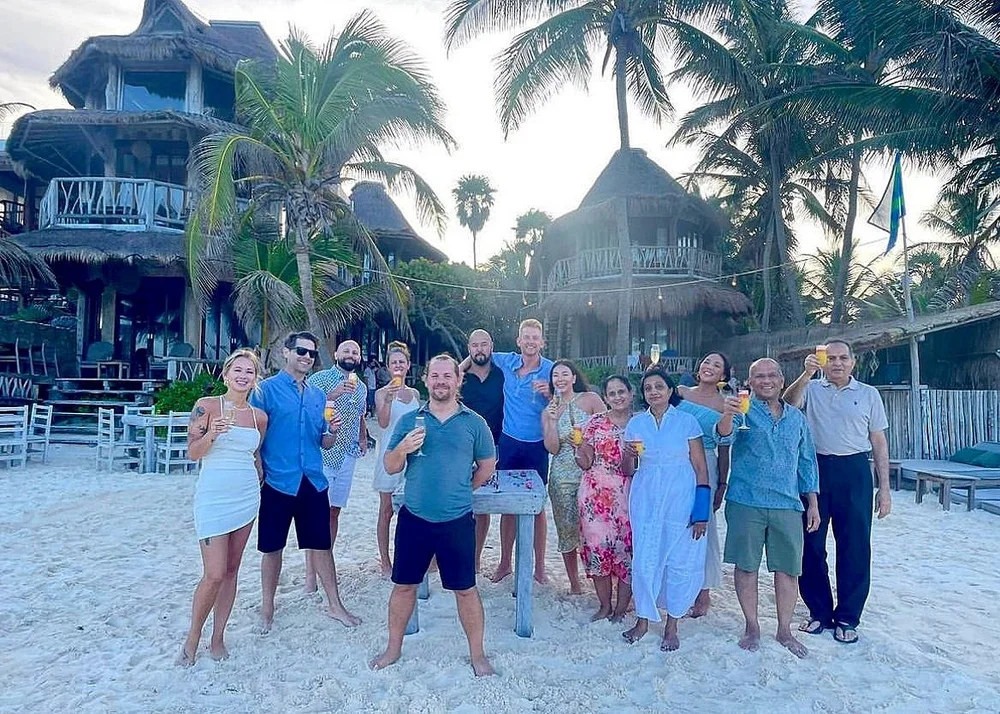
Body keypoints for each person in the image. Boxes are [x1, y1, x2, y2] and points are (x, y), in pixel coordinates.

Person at [371, 354, 497, 676]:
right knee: (403, 587)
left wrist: (463, 488)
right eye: (435, 376)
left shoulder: (474, 423)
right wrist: (403, 449)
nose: (441, 381)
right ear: (425, 380)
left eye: (447, 376)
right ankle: (393, 648)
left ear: (458, 380)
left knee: (465, 590)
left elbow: (487, 466)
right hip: (415, 518)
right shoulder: (410, 421)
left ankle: (478, 655)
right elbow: (390, 466)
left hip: (457, 520)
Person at [250, 332, 360, 632]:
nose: (307, 357)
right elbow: (253, 435)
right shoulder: (265, 391)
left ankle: (335, 604)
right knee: (272, 548)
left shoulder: (317, 396)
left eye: (311, 353)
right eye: (301, 351)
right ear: (286, 352)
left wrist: (333, 431)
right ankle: (267, 608)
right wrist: (258, 466)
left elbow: (323, 442)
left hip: (312, 480)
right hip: (278, 480)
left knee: (322, 545)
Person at [783, 340, 891, 645]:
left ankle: (848, 617)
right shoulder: (812, 388)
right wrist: (806, 375)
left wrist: (884, 488)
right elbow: (788, 404)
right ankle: (819, 611)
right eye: (831, 358)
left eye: (843, 358)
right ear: (823, 361)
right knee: (811, 544)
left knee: (855, 546)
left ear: (853, 362)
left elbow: (878, 441)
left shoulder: (868, 394)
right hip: (815, 469)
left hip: (855, 470)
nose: (837, 363)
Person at [721, 358, 819, 658]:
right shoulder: (742, 411)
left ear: (781, 379)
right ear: (750, 382)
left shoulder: (796, 418)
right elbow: (723, 436)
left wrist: (813, 503)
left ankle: (784, 629)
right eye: (759, 376)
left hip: (787, 503)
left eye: (771, 375)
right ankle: (751, 626)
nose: (766, 380)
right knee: (746, 566)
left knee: (788, 569)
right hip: (745, 500)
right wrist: (727, 414)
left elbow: (807, 462)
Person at [178, 349, 268, 666]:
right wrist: (212, 435)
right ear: (226, 374)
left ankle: (218, 637)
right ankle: (192, 638)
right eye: (238, 370)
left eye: (249, 372)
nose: (243, 376)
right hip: (213, 496)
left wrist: (261, 478)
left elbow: (256, 455)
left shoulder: (259, 417)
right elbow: (193, 453)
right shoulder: (205, 407)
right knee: (214, 573)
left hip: (246, 495)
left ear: (255, 379)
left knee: (231, 570)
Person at [621, 367, 712, 651]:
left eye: (659, 386)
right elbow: (628, 470)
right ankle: (643, 620)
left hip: (681, 496)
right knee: (645, 558)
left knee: (680, 559)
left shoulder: (686, 422)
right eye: (648, 388)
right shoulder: (636, 424)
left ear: (670, 390)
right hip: (646, 497)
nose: (654, 392)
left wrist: (701, 513)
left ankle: (672, 624)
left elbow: (701, 468)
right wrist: (628, 455)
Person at [461, 318, 552, 585]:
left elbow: (565, 399)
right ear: (518, 341)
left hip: (537, 444)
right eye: (526, 337)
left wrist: (550, 394)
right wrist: (458, 369)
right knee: (508, 505)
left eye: (535, 338)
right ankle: (504, 563)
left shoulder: (550, 369)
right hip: (509, 442)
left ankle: (540, 567)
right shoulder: (507, 361)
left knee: (538, 507)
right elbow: (478, 352)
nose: (530, 342)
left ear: (542, 342)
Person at [304, 339, 368, 591]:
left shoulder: (361, 386)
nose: (351, 355)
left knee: (334, 512)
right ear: (336, 354)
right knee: (315, 514)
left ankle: (326, 564)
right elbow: (306, 408)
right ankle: (310, 574)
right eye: (346, 351)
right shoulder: (320, 379)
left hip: (347, 456)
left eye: (355, 352)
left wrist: (363, 437)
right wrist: (332, 395)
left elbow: (360, 415)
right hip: (322, 454)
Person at [677, 352, 734, 618]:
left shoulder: (725, 404)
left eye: (716, 365)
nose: (709, 367)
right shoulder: (680, 393)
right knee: (676, 521)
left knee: (704, 525)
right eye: (706, 362)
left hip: (707, 463)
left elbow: (725, 447)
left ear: (724, 375)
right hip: (676, 462)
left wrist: (721, 483)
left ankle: (703, 592)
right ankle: (677, 584)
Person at [575, 375, 635, 622]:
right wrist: (578, 450)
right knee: (597, 548)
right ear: (606, 398)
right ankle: (604, 605)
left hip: (630, 494)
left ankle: (621, 608)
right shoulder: (595, 423)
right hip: (595, 495)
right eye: (612, 393)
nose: (617, 397)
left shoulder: (641, 423)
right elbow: (585, 462)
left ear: (631, 393)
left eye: (622, 391)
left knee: (627, 551)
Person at [542, 360, 605, 593]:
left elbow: (607, 428)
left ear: (574, 378)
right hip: (562, 475)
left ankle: (601, 575)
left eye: (564, 374)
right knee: (567, 529)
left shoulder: (590, 399)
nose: (560, 379)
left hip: (592, 470)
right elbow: (552, 448)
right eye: (555, 375)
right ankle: (574, 582)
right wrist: (551, 421)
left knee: (596, 527)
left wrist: (586, 441)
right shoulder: (549, 410)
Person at [372, 342, 420, 578]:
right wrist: (389, 399)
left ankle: (410, 556)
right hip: (389, 455)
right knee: (386, 510)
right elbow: (382, 423)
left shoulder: (415, 394)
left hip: (413, 457)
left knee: (412, 510)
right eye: (394, 362)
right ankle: (385, 561)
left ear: (408, 365)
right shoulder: (381, 393)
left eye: (402, 362)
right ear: (388, 366)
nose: (398, 366)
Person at [461, 329, 505, 573]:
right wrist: (463, 365)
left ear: (492, 347)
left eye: (484, 344)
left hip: (495, 447)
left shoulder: (502, 375)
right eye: (475, 345)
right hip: (462, 447)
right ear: (469, 348)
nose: (480, 349)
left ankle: (476, 559)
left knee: (483, 505)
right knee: (459, 500)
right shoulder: (461, 377)